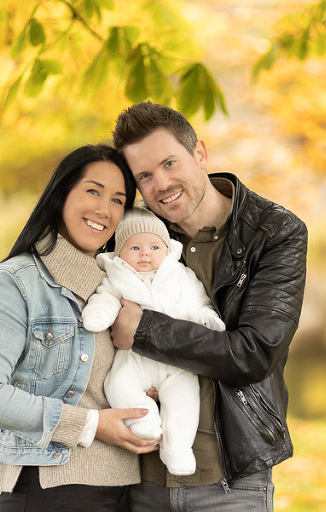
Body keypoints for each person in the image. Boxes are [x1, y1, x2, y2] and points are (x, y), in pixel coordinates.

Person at [110, 102, 308, 511]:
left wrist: (144, 331)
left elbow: (253, 354)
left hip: (231, 482)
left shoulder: (274, 232)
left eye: (169, 163)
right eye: (144, 176)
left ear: (199, 153)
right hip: (140, 474)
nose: (161, 183)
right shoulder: (134, 235)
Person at [0, 144, 161, 512]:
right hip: (50, 491)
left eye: (117, 199)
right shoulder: (17, 282)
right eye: (93, 191)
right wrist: (91, 424)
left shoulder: (117, 284)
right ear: (61, 194)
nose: (104, 210)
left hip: (123, 490)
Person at [82, 207, 225, 477]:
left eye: (153, 247)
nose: (145, 253)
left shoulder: (180, 275)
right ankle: (144, 416)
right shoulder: (116, 275)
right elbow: (106, 296)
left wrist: (205, 317)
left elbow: (197, 301)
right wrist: (100, 313)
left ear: (167, 249)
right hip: (134, 359)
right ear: (120, 253)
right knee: (117, 385)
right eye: (134, 247)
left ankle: (178, 448)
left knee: (185, 398)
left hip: (176, 361)